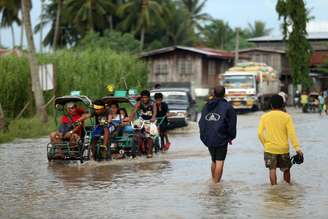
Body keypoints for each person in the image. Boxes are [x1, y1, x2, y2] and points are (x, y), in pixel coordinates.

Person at [258, 94, 303, 185]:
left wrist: (265, 144)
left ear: (271, 105)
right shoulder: (287, 117)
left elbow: (260, 133)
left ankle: (274, 188)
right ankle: (287, 188)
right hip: (283, 149)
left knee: (272, 169)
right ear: (282, 105)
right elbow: (292, 134)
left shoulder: (264, 117)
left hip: (270, 148)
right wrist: (297, 148)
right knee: (286, 169)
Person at [199, 85, 237, 184]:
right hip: (222, 138)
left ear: (214, 93)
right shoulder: (228, 107)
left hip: (209, 138)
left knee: (213, 160)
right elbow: (232, 124)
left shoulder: (206, 105)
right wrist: (230, 136)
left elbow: (201, 122)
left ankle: (213, 181)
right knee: (219, 161)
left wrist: (204, 136)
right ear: (224, 94)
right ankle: (216, 185)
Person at [130, 90, 157, 158]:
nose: (144, 99)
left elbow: (154, 112)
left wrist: (153, 118)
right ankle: (137, 150)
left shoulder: (152, 103)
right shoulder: (139, 103)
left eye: (146, 97)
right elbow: (134, 110)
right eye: (143, 97)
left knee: (149, 135)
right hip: (141, 120)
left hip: (150, 120)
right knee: (136, 130)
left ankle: (149, 152)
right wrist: (130, 118)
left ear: (148, 97)